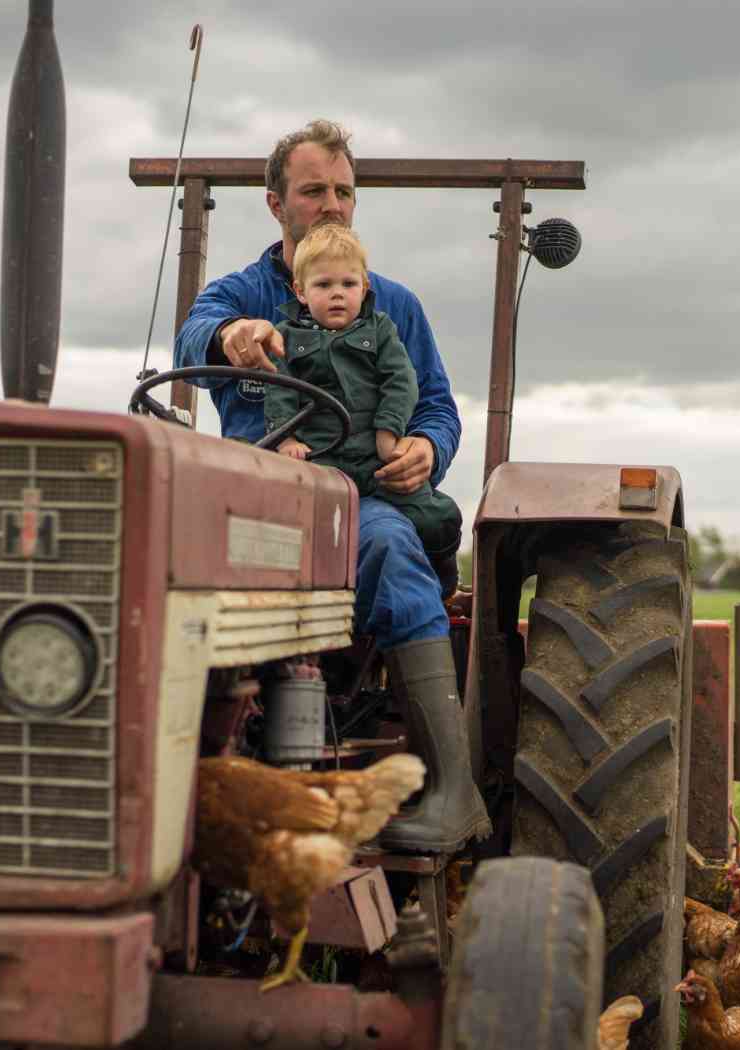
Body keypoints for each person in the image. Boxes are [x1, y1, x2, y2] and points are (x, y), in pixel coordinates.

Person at [174, 120, 489, 854]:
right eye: (314, 191)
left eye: (344, 191)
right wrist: (231, 339)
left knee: (388, 543)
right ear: (275, 204)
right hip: (259, 496)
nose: (333, 205)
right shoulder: (243, 291)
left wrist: (424, 446)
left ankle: (454, 790)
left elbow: (437, 404)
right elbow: (196, 334)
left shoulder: (391, 305)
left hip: (356, 498)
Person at [266, 223, 463, 599]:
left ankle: (443, 583)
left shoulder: (382, 330)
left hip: (376, 461)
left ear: (365, 287)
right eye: (324, 286)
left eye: (348, 285)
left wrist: (388, 432)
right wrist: (286, 438)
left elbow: (401, 381)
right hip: (324, 465)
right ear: (301, 292)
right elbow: (279, 389)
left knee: (438, 515)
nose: (337, 294)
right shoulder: (288, 337)